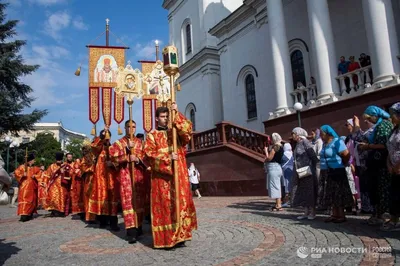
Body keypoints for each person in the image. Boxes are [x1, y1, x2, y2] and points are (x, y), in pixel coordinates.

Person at [144, 104, 197, 249]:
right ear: (156, 118)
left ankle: (180, 236)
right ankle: (166, 239)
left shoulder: (174, 132)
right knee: (166, 206)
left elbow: (188, 131)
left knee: (180, 204)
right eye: (163, 117)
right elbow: (149, 155)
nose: (165, 119)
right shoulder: (151, 136)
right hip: (162, 179)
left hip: (179, 176)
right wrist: (167, 158)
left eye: (167, 116)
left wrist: (176, 113)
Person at [110, 120, 147, 243]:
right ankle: (131, 231)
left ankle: (139, 227)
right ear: (125, 128)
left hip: (139, 177)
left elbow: (147, 158)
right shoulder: (119, 143)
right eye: (129, 127)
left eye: (134, 127)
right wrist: (126, 152)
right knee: (128, 203)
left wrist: (137, 159)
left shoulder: (141, 143)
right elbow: (113, 157)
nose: (132, 129)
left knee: (139, 202)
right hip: (125, 176)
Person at [359, 106, 393, 225]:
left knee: (383, 189)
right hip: (376, 163)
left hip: (382, 163)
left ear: (374, 116)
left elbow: (384, 144)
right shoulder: (378, 126)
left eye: (368, 118)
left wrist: (368, 146)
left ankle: (385, 216)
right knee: (376, 189)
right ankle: (378, 214)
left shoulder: (383, 125)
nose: (366, 121)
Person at [319, 125, 353, 223]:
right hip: (328, 171)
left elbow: (346, 154)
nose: (321, 136)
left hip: (337, 171)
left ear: (327, 133)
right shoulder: (325, 144)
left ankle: (341, 215)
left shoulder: (337, 142)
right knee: (331, 193)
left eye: (322, 134)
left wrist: (343, 163)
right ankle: (334, 214)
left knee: (339, 193)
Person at [89, 128, 120, 231]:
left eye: (107, 136)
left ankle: (113, 223)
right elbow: (93, 146)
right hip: (101, 179)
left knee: (112, 199)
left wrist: (112, 164)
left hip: (112, 178)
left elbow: (119, 161)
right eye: (104, 137)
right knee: (101, 198)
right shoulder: (99, 150)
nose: (106, 139)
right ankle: (102, 221)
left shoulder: (114, 148)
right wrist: (101, 137)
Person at [290, 127, 318, 220]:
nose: (292, 135)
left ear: (298, 134)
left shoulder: (305, 142)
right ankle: (306, 211)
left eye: (293, 133)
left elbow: (312, 155)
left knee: (309, 190)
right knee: (303, 191)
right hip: (301, 171)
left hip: (307, 170)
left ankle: (312, 212)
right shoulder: (298, 143)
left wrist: (311, 166)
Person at [382, 102, 400, 231]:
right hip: (394, 168)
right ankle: (394, 220)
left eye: (393, 114)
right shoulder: (394, 130)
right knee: (394, 195)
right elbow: (390, 148)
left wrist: (398, 165)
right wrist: (389, 164)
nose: (391, 117)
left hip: (399, 167)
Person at [14, 153, 41, 222]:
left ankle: (30, 214)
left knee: (32, 201)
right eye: (33, 160)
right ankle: (23, 215)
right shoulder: (22, 167)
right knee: (24, 200)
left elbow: (40, 175)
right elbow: (16, 173)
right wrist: (23, 175)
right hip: (24, 188)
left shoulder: (35, 168)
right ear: (30, 161)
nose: (34, 161)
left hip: (32, 188)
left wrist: (35, 176)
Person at [45, 152, 73, 217]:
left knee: (62, 198)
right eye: (58, 160)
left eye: (60, 160)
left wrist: (65, 172)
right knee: (53, 198)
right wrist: (45, 183)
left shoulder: (65, 166)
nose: (59, 161)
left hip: (63, 185)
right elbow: (47, 175)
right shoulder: (51, 166)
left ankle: (61, 211)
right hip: (53, 185)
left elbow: (70, 174)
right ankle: (54, 210)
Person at [264, 133, 284, 211]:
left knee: (275, 186)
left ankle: (278, 204)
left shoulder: (275, 147)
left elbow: (269, 158)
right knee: (277, 186)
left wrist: (266, 152)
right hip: (278, 167)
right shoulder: (281, 147)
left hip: (273, 167)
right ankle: (278, 204)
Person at [281, 143, 294, 208]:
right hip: (292, 170)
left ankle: (286, 201)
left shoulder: (283, 154)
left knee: (286, 185)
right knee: (291, 185)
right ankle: (292, 201)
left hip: (285, 171)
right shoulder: (292, 153)